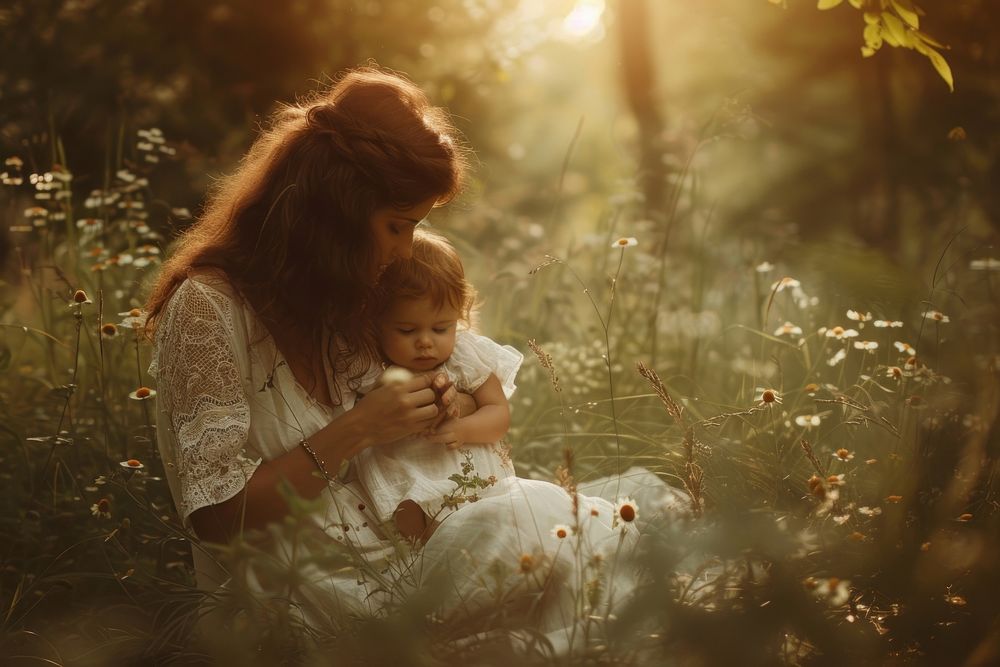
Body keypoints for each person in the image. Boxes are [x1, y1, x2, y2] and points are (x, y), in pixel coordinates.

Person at [145, 65, 684, 650]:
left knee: (578, 541)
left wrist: (435, 408)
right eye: (397, 226)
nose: (405, 251)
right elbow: (219, 520)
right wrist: (361, 427)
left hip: (409, 557)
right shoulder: (208, 309)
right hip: (310, 599)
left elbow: (434, 378)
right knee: (541, 529)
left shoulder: (337, 297)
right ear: (335, 215)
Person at [358, 228, 523, 542]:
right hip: (406, 474)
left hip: (473, 476)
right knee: (415, 537)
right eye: (406, 330)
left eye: (440, 328)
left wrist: (463, 429)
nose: (425, 342)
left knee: (488, 534)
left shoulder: (464, 355)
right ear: (376, 322)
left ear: (458, 315)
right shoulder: (372, 366)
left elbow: (498, 414)